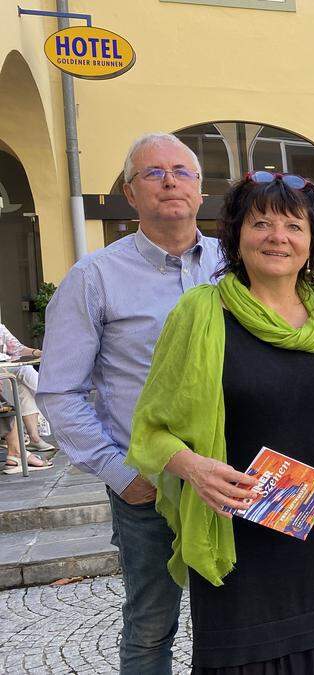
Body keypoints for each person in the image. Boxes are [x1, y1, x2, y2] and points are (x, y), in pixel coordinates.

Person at [127, 171, 314, 674]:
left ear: (313, 241)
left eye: (293, 225)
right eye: (261, 223)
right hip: (237, 540)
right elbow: (150, 429)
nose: (277, 237)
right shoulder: (201, 314)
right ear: (237, 236)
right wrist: (194, 468)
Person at [36, 132, 223, 674]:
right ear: (129, 192)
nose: (170, 181)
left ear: (200, 191)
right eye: (153, 173)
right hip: (150, 484)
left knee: (240, 616)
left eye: (182, 171)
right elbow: (59, 390)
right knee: (150, 625)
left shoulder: (236, 264)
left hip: (231, 474)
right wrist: (119, 473)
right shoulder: (94, 278)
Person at [1, 321, 54, 473]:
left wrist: (38, 352)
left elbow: (16, 348)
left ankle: (32, 440)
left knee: (21, 385)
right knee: (16, 377)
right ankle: (53, 396)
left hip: (5, 367)